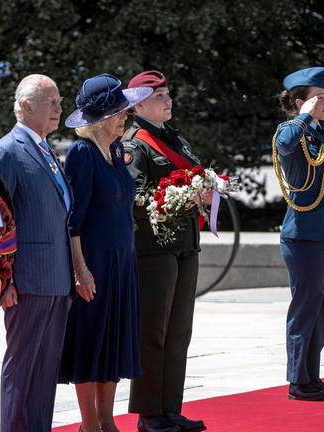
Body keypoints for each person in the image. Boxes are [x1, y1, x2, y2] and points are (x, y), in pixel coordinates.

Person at [58, 74, 152, 432]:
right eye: (118, 111)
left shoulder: (115, 149)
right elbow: (73, 220)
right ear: (99, 118)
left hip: (121, 261)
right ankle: (89, 424)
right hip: (94, 262)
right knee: (89, 338)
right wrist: (80, 270)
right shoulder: (82, 154)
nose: (125, 116)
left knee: (113, 338)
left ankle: (106, 419)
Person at [0, 74, 74, 431]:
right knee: (22, 368)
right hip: (27, 279)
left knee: (45, 371)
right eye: (50, 100)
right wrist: (2, 279)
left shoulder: (45, 148)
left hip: (56, 277)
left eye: (59, 100)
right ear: (25, 106)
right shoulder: (7, 151)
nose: (59, 107)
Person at [122, 71, 207, 432]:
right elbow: (134, 197)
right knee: (153, 332)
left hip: (185, 243)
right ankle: (149, 413)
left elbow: (194, 175)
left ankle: (170, 408)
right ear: (138, 104)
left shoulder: (176, 138)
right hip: (154, 249)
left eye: (168, 95)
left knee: (179, 331)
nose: (168, 101)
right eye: (159, 97)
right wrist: (181, 198)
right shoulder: (134, 144)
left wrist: (206, 191)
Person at [272, 66, 324, 401]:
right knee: (305, 307)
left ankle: (312, 377)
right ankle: (297, 381)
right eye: (320, 97)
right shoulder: (291, 131)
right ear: (301, 102)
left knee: (322, 308)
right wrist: (302, 115)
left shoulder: (323, 133)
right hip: (303, 236)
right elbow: (286, 146)